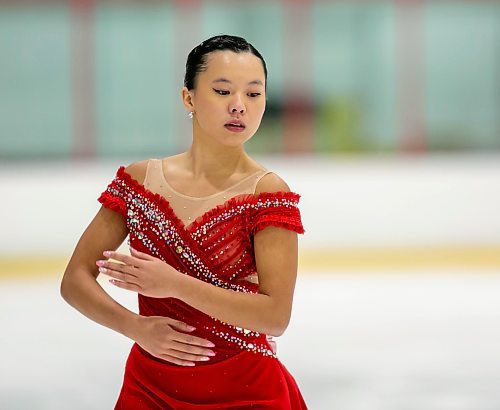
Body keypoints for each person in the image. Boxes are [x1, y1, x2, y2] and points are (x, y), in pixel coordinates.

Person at [61, 34, 307, 409]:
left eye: (254, 94)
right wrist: (135, 327)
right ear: (188, 97)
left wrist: (174, 284)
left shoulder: (267, 193)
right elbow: (75, 279)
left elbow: (275, 317)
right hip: (150, 387)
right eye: (223, 91)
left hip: (246, 389)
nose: (239, 106)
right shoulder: (140, 181)